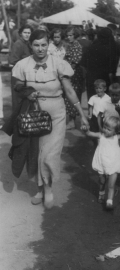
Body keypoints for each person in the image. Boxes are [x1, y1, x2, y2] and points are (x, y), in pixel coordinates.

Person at [2, 29, 89, 209]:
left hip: (56, 114)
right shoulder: (23, 65)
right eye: (36, 45)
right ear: (30, 45)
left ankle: (48, 189)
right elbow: (17, 86)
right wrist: (27, 92)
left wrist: (82, 115)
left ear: (48, 44)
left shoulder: (58, 63)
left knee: (49, 154)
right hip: (33, 115)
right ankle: (40, 189)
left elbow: (70, 91)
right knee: (36, 153)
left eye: (43, 45)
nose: (40, 49)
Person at [84, 116, 120, 210]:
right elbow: (89, 133)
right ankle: (101, 192)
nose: (105, 130)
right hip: (102, 162)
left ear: (115, 131)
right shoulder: (100, 135)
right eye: (104, 127)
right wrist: (86, 129)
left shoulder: (117, 137)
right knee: (102, 181)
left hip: (113, 163)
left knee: (111, 185)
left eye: (109, 129)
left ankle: (109, 201)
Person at [81, 28, 117, 99]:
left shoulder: (91, 47)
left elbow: (83, 63)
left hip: (91, 78)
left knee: (92, 100)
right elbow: (113, 67)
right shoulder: (111, 48)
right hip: (105, 78)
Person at [8, 24, 33, 112]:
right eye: (25, 32)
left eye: (29, 33)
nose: (27, 35)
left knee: (26, 101)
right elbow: (12, 61)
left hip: (26, 75)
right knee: (17, 101)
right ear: (20, 34)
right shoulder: (18, 44)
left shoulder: (28, 44)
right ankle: (16, 123)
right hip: (18, 76)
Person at [64, 26, 84, 130]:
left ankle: (72, 121)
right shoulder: (70, 45)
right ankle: (72, 120)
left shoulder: (77, 46)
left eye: (71, 35)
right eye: (67, 35)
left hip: (74, 74)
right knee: (68, 98)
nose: (68, 37)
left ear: (75, 35)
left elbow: (75, 62)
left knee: (73, 96)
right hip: (69, 73)